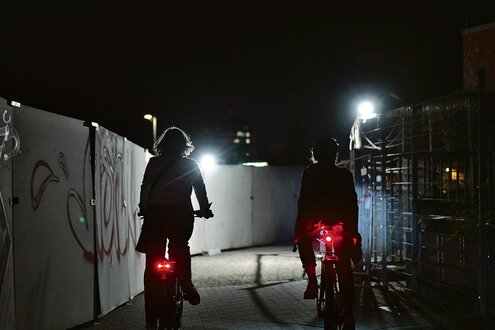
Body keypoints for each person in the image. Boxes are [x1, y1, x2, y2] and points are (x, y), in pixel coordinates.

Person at [137, 126, 213, 329]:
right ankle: (186, 283)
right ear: (184, 146)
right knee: (180, 247)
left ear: (162, 144)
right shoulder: (191, 164)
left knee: (152, 263)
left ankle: (151, 320)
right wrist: (205, 210)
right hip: (181, 215)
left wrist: (143, 208)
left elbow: (145, 186)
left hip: (156, 215)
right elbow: (200, 190)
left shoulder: (154, 163)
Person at [294, 137, 361, 329]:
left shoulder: (309, 173)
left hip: (314, 223)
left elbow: (303, 201)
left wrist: (299, 227)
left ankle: (313, 281)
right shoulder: (345, 175)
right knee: (344, 266)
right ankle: (348, 314)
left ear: (316, 154)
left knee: (303, 239)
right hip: (341, 224)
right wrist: (354, 231)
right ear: (335, 154)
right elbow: (352, 204)